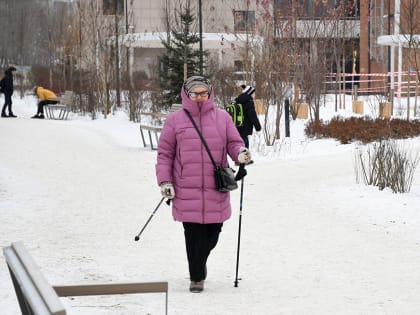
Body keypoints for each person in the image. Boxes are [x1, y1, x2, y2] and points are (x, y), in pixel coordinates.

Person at [155, 76, 251, 293]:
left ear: (210, 93)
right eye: (194, 94)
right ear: (186, 94)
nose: (199, 98)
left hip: (215, 187)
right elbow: (165, 154)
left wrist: (240, 153)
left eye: (203, 93)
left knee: (213, 233)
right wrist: (165, 181)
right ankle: (196, 276)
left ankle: (200, 261)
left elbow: (234, 143)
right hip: (185, 188)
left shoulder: (222, 118)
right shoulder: (175, 121)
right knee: (192, 235)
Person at [235, 84, 262, 149]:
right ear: (250, 93)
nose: (254, 95)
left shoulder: (238, 100)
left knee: (242, 144)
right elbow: (252, 116)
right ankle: (245, 158)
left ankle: (244, 158)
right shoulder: (248, 102)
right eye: (253, 93)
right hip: (244, 127)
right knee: (244, 145)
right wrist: (258, 127)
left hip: (237, 126)